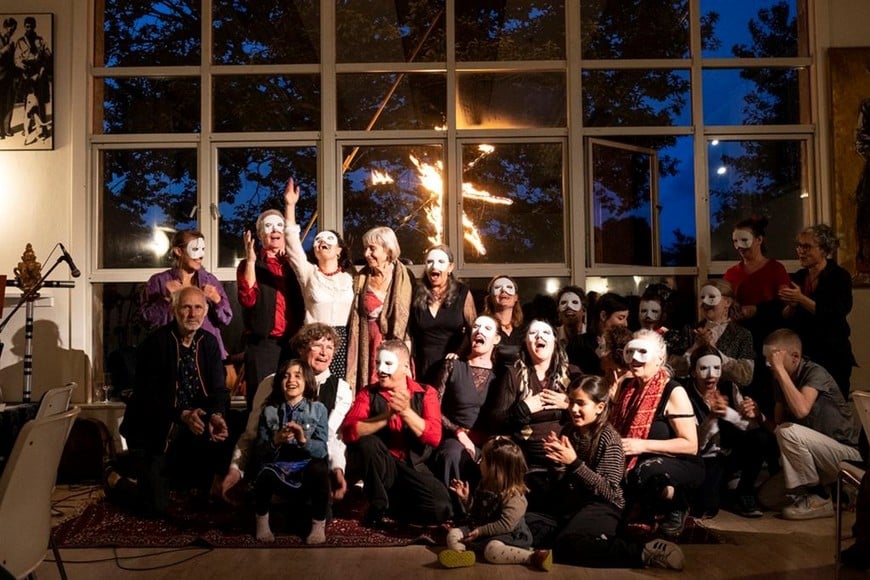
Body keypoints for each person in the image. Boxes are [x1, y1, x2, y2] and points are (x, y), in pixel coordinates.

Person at [527, 375, 684, 570]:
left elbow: (609, 491)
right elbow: (566, 480)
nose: (574, 409)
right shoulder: (570, 431)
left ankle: (643, 552)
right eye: (572, 403)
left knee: (569, 544)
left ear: (599, 407)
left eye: (581, 404)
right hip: (574, 503)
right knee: (526, 523)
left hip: (604, 506)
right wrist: (558, 463)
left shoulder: (609, 439)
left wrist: (574, 463)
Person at [119, 286, 230, 516]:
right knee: (153, 509)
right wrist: (181, 415)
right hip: (157, 429)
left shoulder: (208, 343)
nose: (192, 314)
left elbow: (219, 390)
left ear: (206, 310)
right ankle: (115, 477)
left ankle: (197, 484)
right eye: (186, 307)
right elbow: (146, 398)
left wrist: (217, 414)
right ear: (174, 310)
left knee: (232, 427)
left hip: (195, 424)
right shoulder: (155, 344)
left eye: (198, 307)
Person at [221, 323, 353, 503]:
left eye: (329, 347)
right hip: (275, 462)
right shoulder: (272, 383)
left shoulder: (341, 390)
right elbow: (251, 433)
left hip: (313, 466)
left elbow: (332, 437)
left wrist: (337, 469)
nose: (324, 352)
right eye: (317, 345)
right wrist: (236, 468)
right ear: (301, 349)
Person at [340, 339, 452, 526]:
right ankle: (378, 503)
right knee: (367, 443)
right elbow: (350, 432)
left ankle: (394, 507)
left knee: (442, 509)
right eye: (377, 363)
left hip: (414, 466)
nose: (380, 369)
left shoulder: (426, 393)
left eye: (388, 364)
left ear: (405, 367)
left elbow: (434, 437)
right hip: (384, 465)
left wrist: (405, 412)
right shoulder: (368, 393)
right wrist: (386, 416)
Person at [756, 329, 861, 520]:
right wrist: (758, 416)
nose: (769, 364)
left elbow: (801, 409)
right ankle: (837, 494)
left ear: (795, 357)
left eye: (774, 358)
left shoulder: (815, 372)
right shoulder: (779, 381)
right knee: (767, 498)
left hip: (846, 454)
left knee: (789, 432)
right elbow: (778, 429)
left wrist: (780, 370)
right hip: (813, 456)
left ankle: (820, 496)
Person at [611, 329, 704, 537]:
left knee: (643, 473)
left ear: (660, 358)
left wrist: (642, 445)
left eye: (642, 352)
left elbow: (690, 445)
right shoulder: (627, 385)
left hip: (680, 461)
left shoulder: (673, 390)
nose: (634, 359)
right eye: (630, 352)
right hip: (639, 459)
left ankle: (677, 502)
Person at [487, 319, 578, 508]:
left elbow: (593, 411)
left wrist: (568, 404)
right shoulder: (514, 374)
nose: (539, 336)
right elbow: (496, 420)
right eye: (533, 333)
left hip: (564, 448)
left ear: (555, 341)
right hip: (526, 450)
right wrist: (524, 408)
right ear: (526, 343)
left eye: (545, 333)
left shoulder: (572, 374)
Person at [685, 346, 776, 519]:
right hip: (703, 458)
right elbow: (697, 444)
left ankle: (744, 492)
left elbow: (749, 428)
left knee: (761, 438)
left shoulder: (729, 387)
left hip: (729, 453)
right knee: (706, 509)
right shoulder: (685, 395)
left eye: (716, 368)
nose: (711, 374)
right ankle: (721, 488)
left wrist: (751, 414)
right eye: (704, 368)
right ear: (693, 372)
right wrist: (712, 417)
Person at [438, 437, 552, 571]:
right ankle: (460, 555)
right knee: (454, 533)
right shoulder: (484, 483)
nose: (479, 462)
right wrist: (466, 499)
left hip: (507, 535)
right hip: (481, 528)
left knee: (491, 551)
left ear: (496, 468)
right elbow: (477, 512)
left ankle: (533, 556)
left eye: (484, 459)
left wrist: (480, 531)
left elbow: (506, 524)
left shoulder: (514, 496)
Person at [283, 178, 356, 377]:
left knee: (338, 392)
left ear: (339, 250)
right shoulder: (309, 273)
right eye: (318, 239)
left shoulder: (351, 280)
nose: (322, 241)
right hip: (313, 342)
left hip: (342, 342)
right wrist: (290, 206)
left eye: (329, 239)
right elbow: (291, 243)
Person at [253, 359, 330, 544]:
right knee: (263, 473)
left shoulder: (318, 409)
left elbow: (322, 451)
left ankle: (318, 525)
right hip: (279, 467)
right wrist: (275, 441)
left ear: (307, 381)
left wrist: (303, 440)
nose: (291, 380)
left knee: (320, 469)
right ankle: (261, 522)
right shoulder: (269, 411)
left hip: (306, 468)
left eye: (297, 376)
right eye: (286, 376)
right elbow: (260, 452)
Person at [237, 208, 305, 410]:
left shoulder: (295, 264)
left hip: (293, 342)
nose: (274, 230)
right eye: (268, 226)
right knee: (261, 402)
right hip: (263, 344)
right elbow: (247, 299)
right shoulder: (250, 265)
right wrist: (250, 262)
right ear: (260, 235)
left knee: (292, 401)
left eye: (279, 225)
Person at [779, 224, 856, 399]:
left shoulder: (839, 276)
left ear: (824, 249)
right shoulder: (798, 276)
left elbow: (836, 312)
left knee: (833, 407)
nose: (801, 251)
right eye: (799, 246)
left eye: (807, 247)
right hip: (804, 355)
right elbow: (785, 317)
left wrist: (801, 299)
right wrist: (791, 304)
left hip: (832, 355)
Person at [140, 230, 233, 360]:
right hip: (170, 354)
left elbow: (226, 318)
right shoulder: (159, 282)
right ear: (179, 251)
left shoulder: (210, 281)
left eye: (203, 249)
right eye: (195, 248)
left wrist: (217, 299)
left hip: (207, 354)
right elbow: (146, 321)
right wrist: (165, 300)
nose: (200, 255)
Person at [435, 315, 501, 487]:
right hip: (454, 438)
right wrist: (459, 433)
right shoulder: (452, 365)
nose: (479, 330)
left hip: (487, 441)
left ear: (496, 339)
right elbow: (433, 405)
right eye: (477, 326)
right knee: (452, 454)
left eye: (487, 328)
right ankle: (453, 510)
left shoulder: (501, 375)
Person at [345, 226, 414, 391]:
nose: (366, 254)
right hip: (368, 345)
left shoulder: (406, 277)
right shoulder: (360, 280)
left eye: (372, 248)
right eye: (365, 248)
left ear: (387, 250)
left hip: (398, 343)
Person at [409, 244, 477, 386]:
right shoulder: (415, 293)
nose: (434, 266)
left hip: (452, 366)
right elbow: (408, 332)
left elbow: (473, 329)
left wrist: (458, 353)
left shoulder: (462, 293)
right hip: (422, 365)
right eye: (429, 262)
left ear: (450, 267)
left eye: (441, 262)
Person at [676, 279, 755, 388]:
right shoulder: (690, 330)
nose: (705, 303)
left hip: (726, 398)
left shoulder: (742, 334)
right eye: (702, 298)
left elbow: (745, 377)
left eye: (712, 297)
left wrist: (714, 350)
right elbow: (677, 369)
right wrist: (696, 347)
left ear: (727, 302)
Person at [14, 16, 52, 145]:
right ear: (25, 27)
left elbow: (48, 57)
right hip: (26, 73)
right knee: (28, 101)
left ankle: (44, 129)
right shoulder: (20, 42)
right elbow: (17, 59)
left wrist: (40, 72)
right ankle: (28, 127)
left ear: (34, 27)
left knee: (40, 101)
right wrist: (24, 70)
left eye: (31, 26)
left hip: (39, 72)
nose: (29, 28)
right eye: (27, 26)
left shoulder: (40, 41)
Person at [572, 292, 630, 375]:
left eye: (626, 318)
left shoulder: (624, 344)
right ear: (603, 316)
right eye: (621, 318)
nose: (625, 324)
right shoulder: (579, 344)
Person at [482, 275, 526, 367]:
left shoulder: (525, 330)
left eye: (509, 287)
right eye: (497, 288)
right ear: (490, 298)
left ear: (516, 298)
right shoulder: (482, 328)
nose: (503, 291)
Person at [0, 18, 17, 139]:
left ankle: (6, 129)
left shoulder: (12, 42)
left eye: (13, 30)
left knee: (9, 103)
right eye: (10, 29)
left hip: (9, 78)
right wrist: (3, 50)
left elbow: (12, 62)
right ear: (5, 27)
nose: (11, 32)